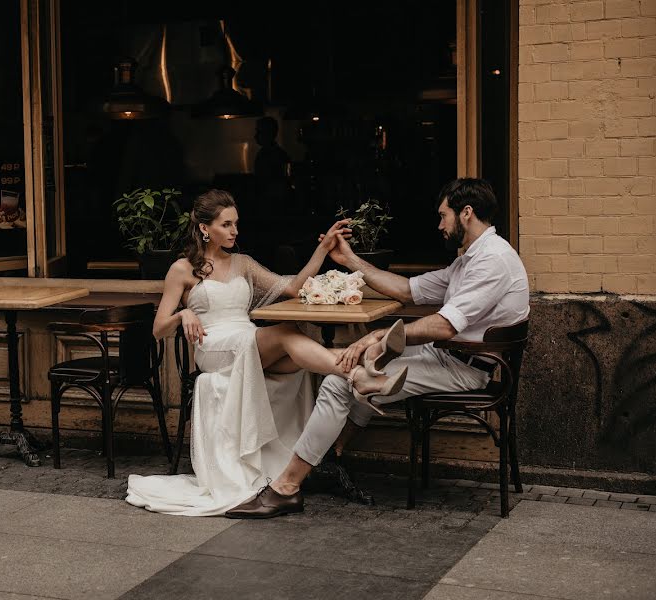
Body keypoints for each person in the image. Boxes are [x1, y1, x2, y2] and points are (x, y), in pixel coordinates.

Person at [224, 177, 530, 519]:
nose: (440, 225)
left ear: (467, 213)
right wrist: (351, 260)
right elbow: (407, 290)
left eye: (443, 216)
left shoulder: (492, 261)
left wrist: (376, 337)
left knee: (339, 381)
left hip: (467, 368)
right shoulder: (469, 260)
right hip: (448, 355)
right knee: (360, 365)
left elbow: (444, 325)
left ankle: (286, 487)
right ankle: (340, 442)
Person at [125, 189, 407, 517]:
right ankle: (360, 371)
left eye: (236, 224)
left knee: (298, 357)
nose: (234, 231)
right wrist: (183, 314)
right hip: (214, 346)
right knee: (287, 333)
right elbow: (159, 329)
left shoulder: (243, 263)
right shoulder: (181, 269)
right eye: (226, 225)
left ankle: (359, 372)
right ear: (205, 228)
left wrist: (323, 248)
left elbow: (292, 288)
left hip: (247, 340)